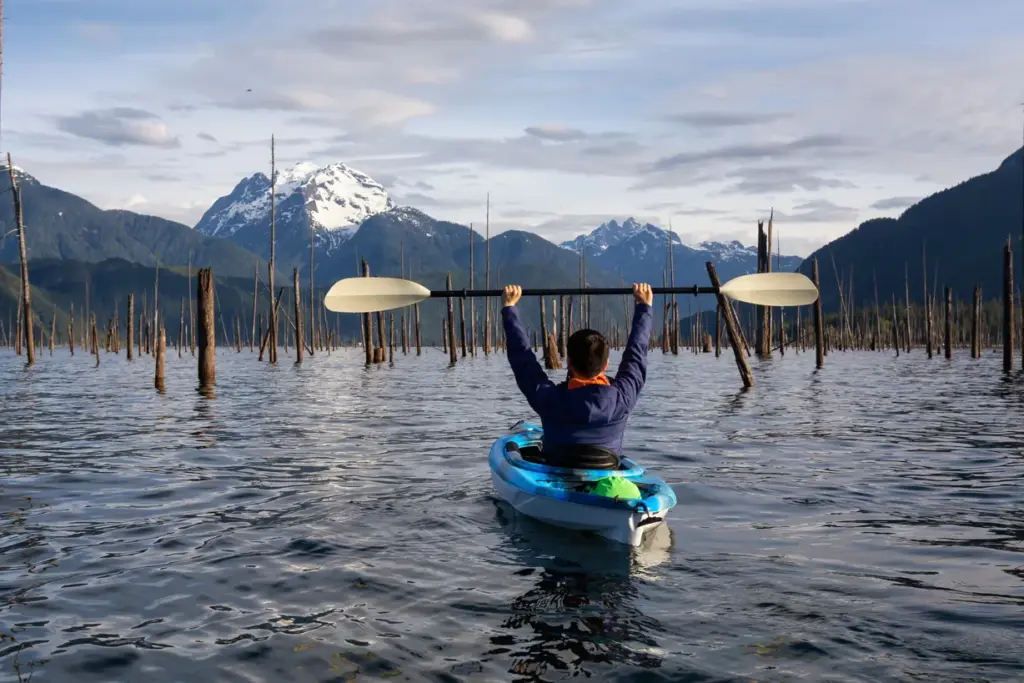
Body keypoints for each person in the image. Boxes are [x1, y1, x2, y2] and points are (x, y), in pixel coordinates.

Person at [501, 282, 654, 469]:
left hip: (557, 473)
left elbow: (523, 359)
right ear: (606, 364)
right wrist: (644, 307)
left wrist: (509, 309)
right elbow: (637, 353)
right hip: (607, 472)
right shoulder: (623, 398)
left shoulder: (549, 399)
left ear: (568, 362)